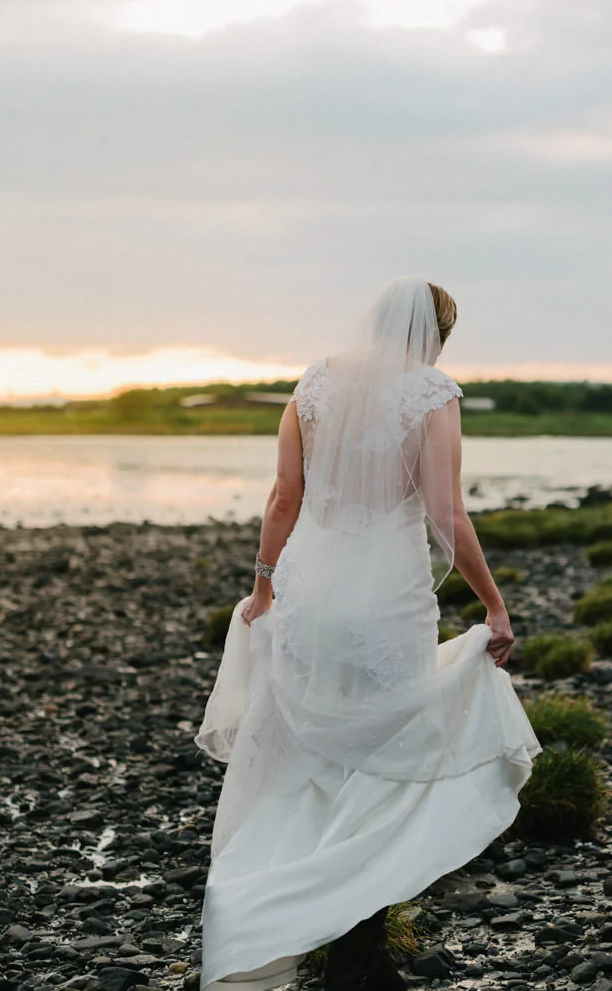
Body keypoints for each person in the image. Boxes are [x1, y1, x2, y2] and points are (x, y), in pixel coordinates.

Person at [195, 277, 540, 991]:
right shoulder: (432, 393)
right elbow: (447, 513)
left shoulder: (314, 382)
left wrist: (263, 584)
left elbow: (284, 496)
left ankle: (276, 916)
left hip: (309, 591)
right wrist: (494, 606)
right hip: (386, 597)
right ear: (438, 334)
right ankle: (357, 951)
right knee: (382, 761)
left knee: (304, 758)